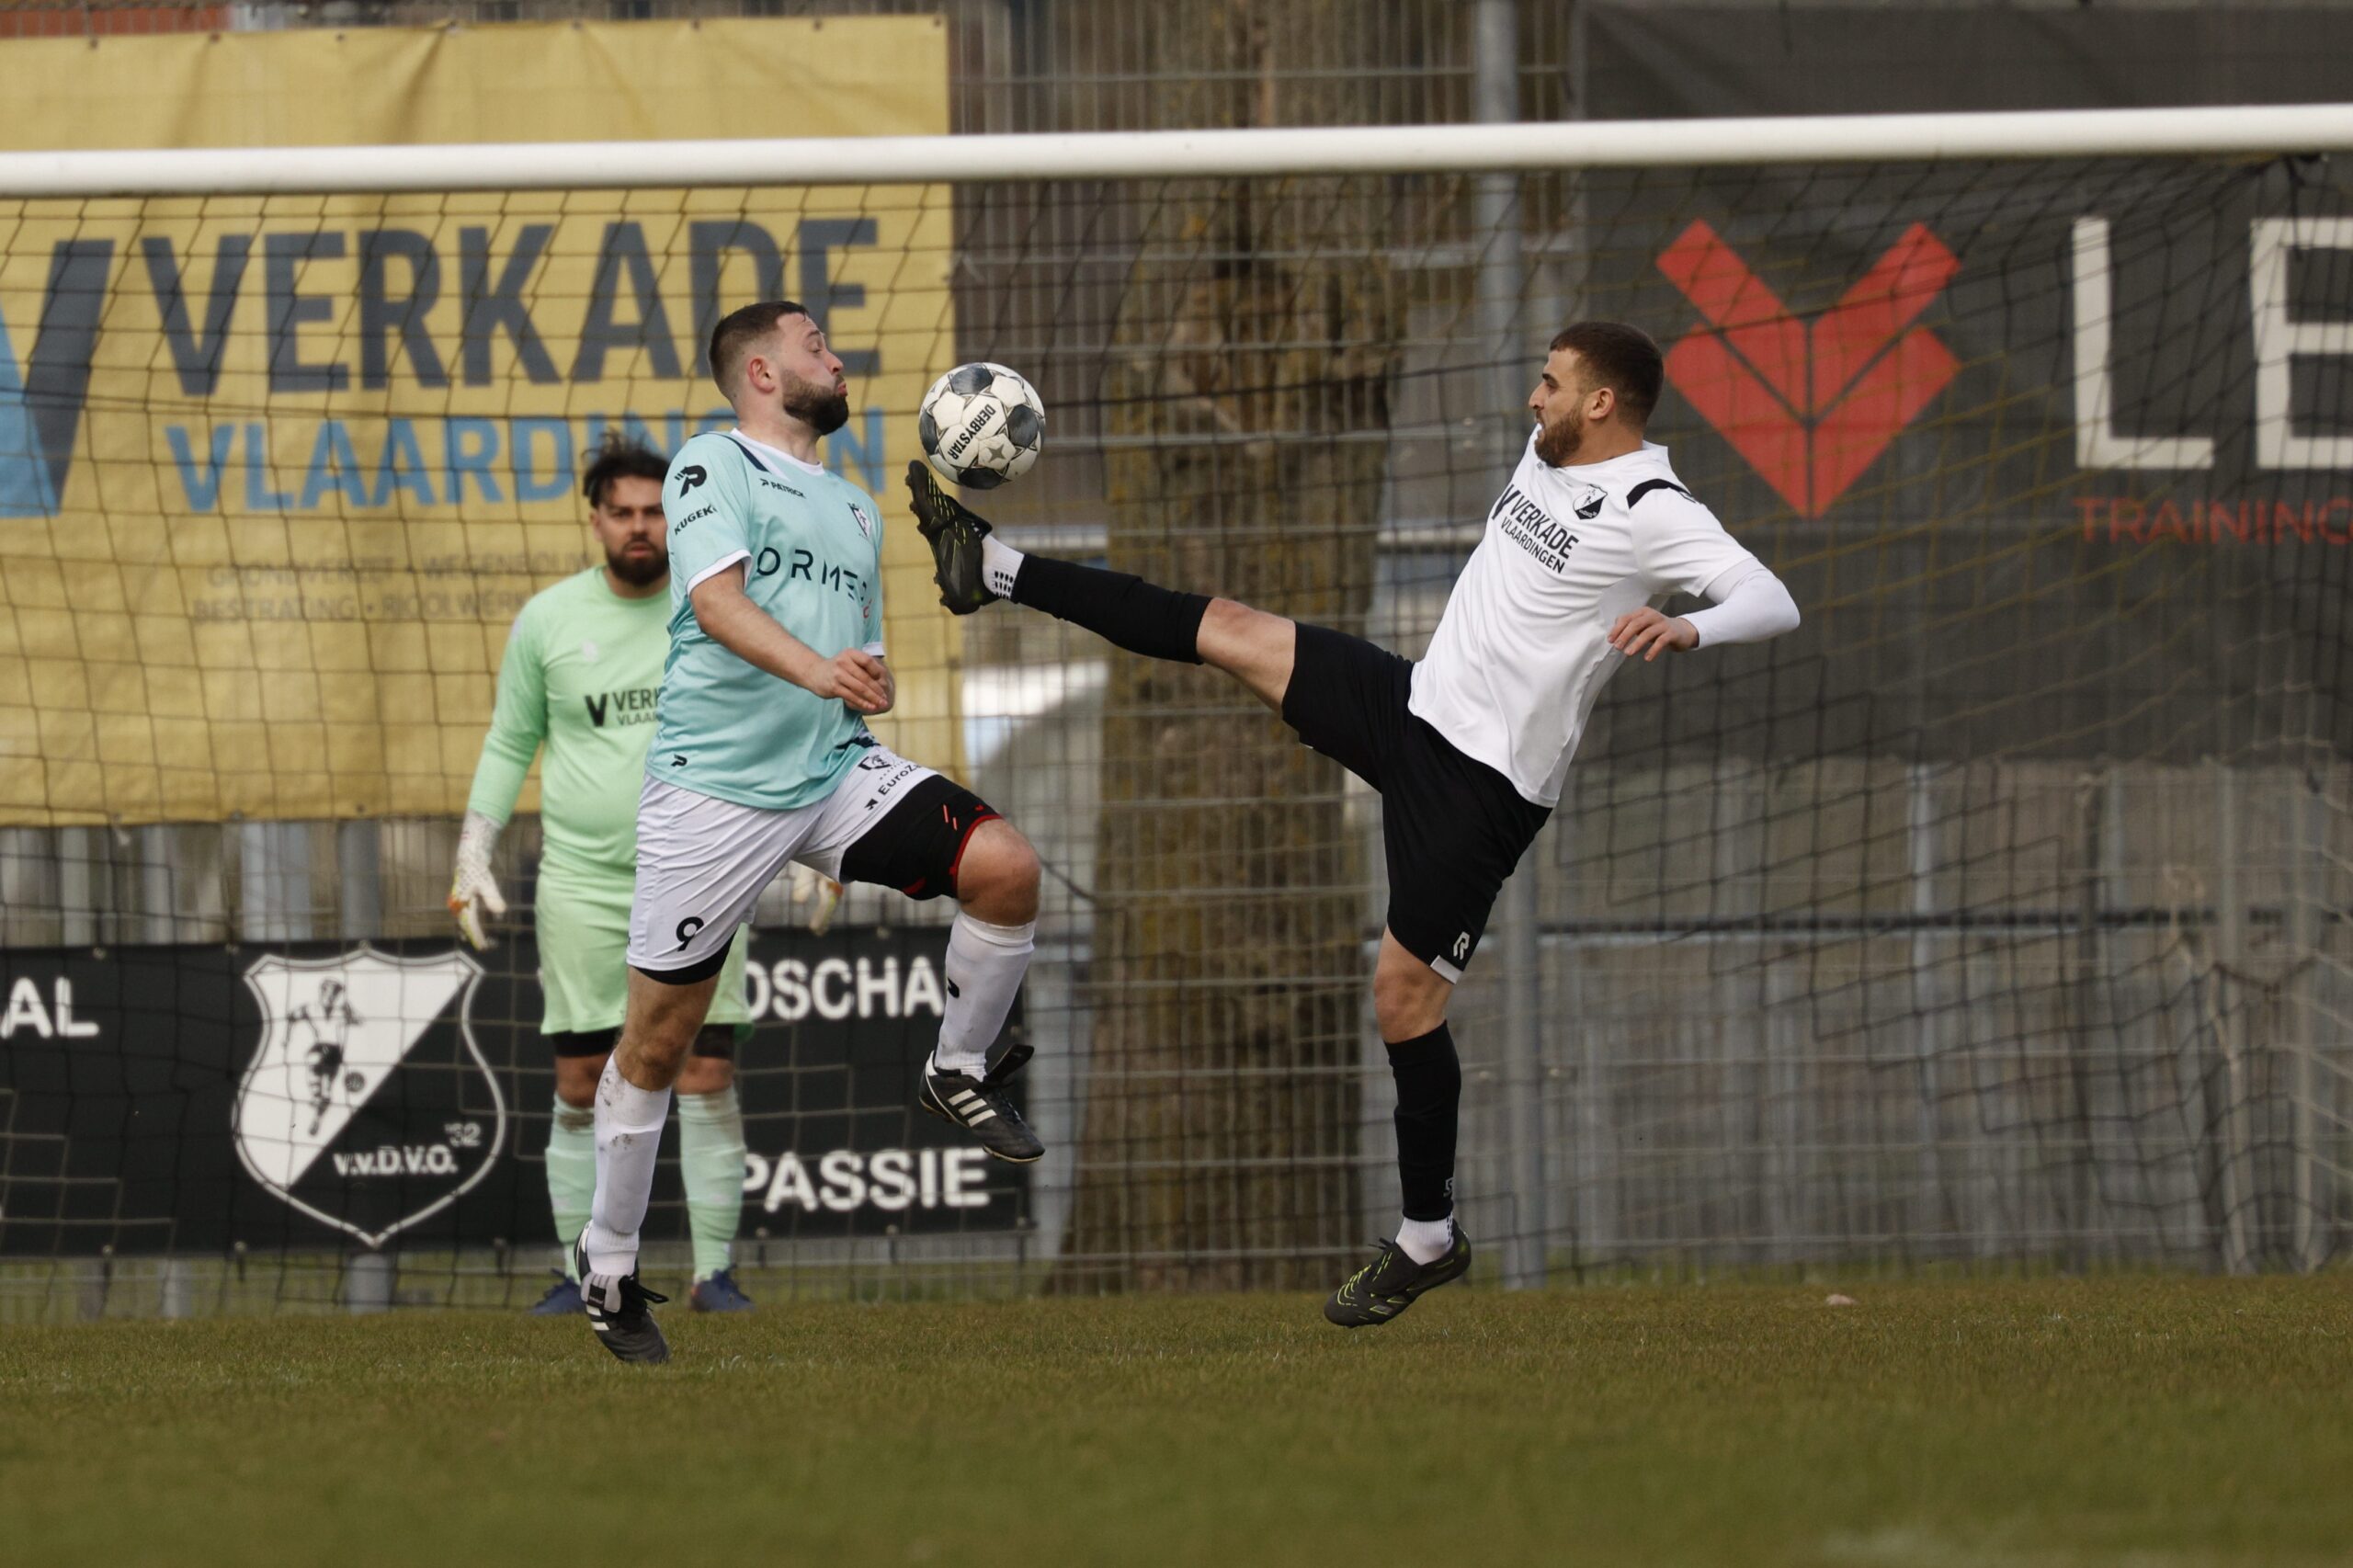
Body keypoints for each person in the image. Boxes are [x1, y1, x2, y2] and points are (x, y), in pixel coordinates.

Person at [910, 321, 1802, 1328]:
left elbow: (1769, 597)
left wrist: (1690, 623)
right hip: (1413, 705)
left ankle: (1428, 1236)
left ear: (1601, 404)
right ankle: (987, 570)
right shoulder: (1549, 453)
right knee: (1228, 628)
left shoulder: (1653, 507)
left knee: (1402, 1001)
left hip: (1482, 787)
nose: (1531, 398)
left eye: (1550, 385)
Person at [574, 301, 1044, 1364]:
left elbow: (853, 662)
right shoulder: (710, 464)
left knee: (1006, 867)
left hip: (831, 770)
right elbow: (720, 604)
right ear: (760, 371)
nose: (834, 357)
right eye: (813, 343)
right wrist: (822, 669)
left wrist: (862, 682)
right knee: (656, 1044)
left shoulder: (855, 507)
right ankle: (606, 1267)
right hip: (712, 791)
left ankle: (958, 1066)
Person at [451, 435, 760, 1318]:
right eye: (622, 512)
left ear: (680, 517)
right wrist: (474, 847)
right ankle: (574, 1271)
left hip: (706, 868)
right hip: (582, 883)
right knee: (584, 1083)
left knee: (703, 1074)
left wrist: (812, 846)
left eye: (656, 511)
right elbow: (512, 740)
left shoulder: (719, 607)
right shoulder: (547, 620)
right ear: (595, 520)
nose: (639, 527)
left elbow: (788, 707)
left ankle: (714, 1275)